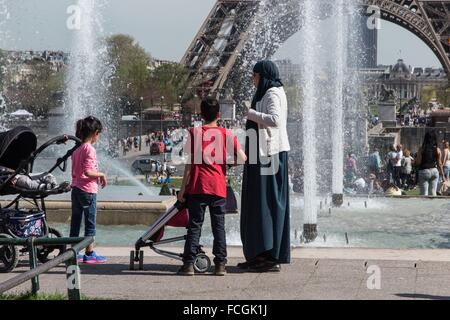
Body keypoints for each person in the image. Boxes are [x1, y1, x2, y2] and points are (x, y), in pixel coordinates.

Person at [177, 98, 246, 276]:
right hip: (217, 187)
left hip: (198, 186)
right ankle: (220, 264)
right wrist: (227, 165)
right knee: (219, 227)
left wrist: (183, 189)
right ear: (219, 115)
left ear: (200, 115)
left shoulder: (194, 133)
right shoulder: (226, 133)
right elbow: (243, 158)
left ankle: (189, 265)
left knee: (194, 226)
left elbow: (189, 164)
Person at [239, 60, 291, 273]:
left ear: (263, 75)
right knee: (261, 204)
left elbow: (275, 120)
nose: (252, 79)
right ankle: (261, 253)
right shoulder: (271, 91)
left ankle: (268, 255)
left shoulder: (272, 93)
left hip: (268, 155)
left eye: (255, 75)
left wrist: (250, 113)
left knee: (264, 203)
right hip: (261, 153)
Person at [70, 116, 108, 264]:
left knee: (76, 222)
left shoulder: (77, 150)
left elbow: (76, 172)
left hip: (76, 190)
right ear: (95, 133)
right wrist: (102, 174)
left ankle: (73, 252)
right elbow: (88, 172)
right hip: (88, 191)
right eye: (99, 134)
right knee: (90, 223)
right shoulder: (89, 149)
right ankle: (89, 253)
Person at [415, 130, 444, 196]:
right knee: (433, 193)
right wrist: (443, 175)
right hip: (434, 171)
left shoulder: (422, 149)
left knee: (424, 194)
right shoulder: (437, 149)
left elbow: (418, 162)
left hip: (424, 171)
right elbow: (440, 164)